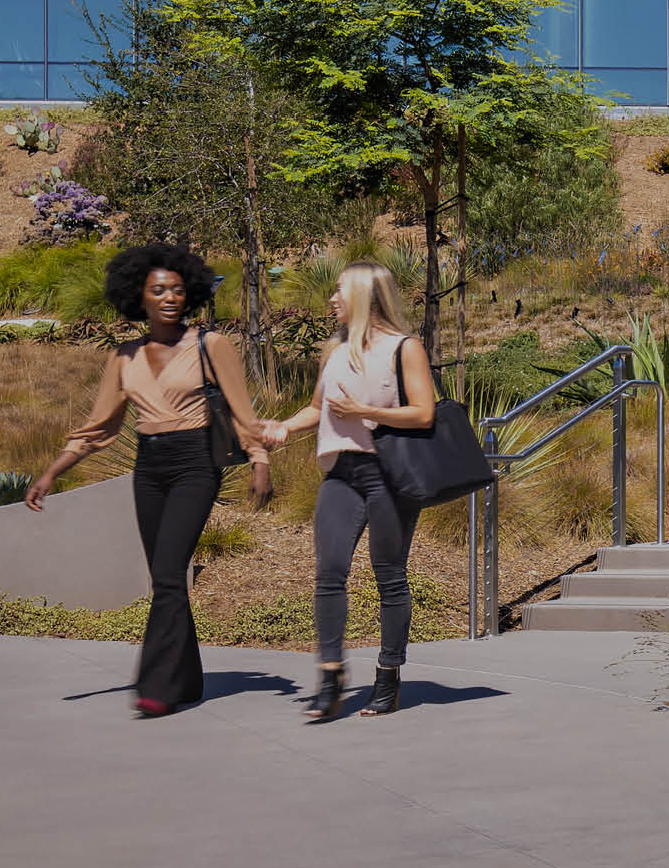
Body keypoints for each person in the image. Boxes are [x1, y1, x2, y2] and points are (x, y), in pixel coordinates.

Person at [28, 244, 273, 717]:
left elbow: (243, 412)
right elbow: (99, 427)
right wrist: (53, 472)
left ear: (190, 293)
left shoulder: (211, 345)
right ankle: (188, 679)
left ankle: (157, 686)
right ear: (138, 296)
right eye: (158, 290)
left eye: (177, 290)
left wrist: (259, 460)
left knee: (167, 574)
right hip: (149, 468)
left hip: (196, 464)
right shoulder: (125, 357)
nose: (169, 298)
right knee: (166, 577)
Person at [255, 262, 441, 722]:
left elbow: (424, 413)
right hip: (341, 472)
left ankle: (388, 674)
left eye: (340, 290)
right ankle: (330, 674)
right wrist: (283, 427)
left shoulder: (404, 348)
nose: (332, 298)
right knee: (329, 571)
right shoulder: (334, 350)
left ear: (364, 296)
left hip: (390, 474)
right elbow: (317, 408)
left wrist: (362, 411)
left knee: (389, 575)